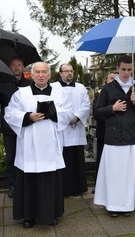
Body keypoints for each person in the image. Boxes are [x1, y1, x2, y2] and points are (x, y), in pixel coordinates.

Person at [4, 62, 72, 228]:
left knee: (49, 181)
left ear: (49, 75)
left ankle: (50, 215)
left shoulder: (59, 93)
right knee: (29, 180)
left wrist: (52, 112)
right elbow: (10, 113)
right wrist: (28, 117)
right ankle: (28, 216)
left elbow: (69, 111)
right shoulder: (21, 94)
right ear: (31, 75)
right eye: (37, 72)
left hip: (50, 144)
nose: (41, 75)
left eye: (44, 72)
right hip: (29, 146)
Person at [94, 55, 135, 217]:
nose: (126, 73)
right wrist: (112, 108)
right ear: (117, 68)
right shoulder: (108, 88)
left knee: (129, 175)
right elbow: (97, 112)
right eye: (123, 69)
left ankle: (127, 204)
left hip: (131, 137)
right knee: (114, 174)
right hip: (113, 138)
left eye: (129, 70)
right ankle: (112, 205)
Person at [0, 57, 32, 198]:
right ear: (9, 67)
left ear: (23, 67)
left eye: (19, 65)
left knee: (26, 155)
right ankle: (13, 185)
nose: (16, 68)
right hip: (9, 128)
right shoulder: (2, 84)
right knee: (11, 157)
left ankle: (26, 183)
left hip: (26, 126)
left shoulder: (29, 84)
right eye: (13, 65)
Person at [51, 63, 90, 197]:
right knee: (63, 158)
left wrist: (76, 117)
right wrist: (66, 117)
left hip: (76, 128)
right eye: (66, 71)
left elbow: (86, 103)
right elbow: (53, 105)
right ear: (60, 73)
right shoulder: (53, 87)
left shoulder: (81, 87)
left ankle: (76, 188)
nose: (69, 74)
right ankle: (63, 189)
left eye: (71, 71)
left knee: (76, 159)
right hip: (61, 129)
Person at [92, 70, 118, 194]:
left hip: (117, 133)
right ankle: (98, 185)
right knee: (101, 159)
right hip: (104, 131)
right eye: (111, 78)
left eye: (115, 78)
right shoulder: (100, 93)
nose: (113, 81)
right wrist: (110, 118)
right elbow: (97, 112)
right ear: (106, 80)